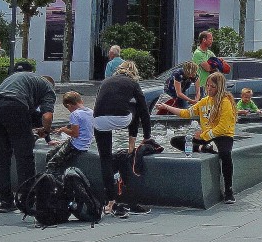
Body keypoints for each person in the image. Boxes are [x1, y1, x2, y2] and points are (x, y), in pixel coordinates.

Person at [0, 60, 55, 213]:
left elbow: (32, 115)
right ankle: (27, 199)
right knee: (24, 155)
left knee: (1, 156)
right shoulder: (49, 89)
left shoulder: (24, 79)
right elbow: (47, 116)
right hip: (15, 105)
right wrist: (46, 129)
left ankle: (5, 201)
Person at [159, 72, 238, 204]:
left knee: (225, 154)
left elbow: (223, 127)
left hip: (223, 136)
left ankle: (228, 191)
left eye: (212, 86)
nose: (208, 89)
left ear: (219, 87)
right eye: (207, 86)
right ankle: (203, 148)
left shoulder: (226, 102)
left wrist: (203, 135)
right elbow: (186, 113)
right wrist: (166, 107)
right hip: (207, 138)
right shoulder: (204, 101)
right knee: (175, 140)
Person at [91, 61, 152, 217]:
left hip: (98, 120)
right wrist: (147, 136)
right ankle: (132, 144)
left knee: (105, 158)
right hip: (121, 119)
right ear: (134, 72)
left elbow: (101, 102)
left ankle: (110, 201)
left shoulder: (105, 81)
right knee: (136, 108)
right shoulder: (132, 83)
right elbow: (144, 111)